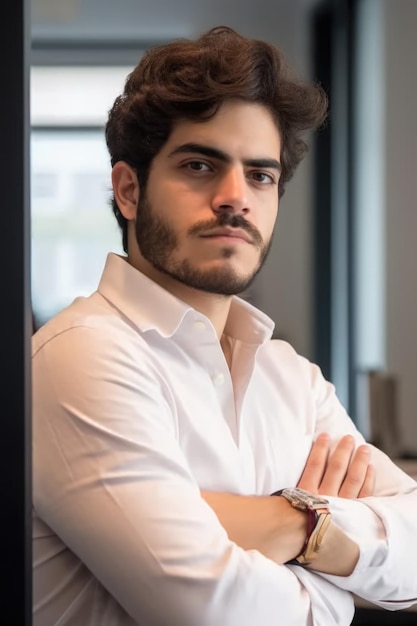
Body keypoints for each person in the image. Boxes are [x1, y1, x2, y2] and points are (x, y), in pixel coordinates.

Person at [32, 25, 417, 626]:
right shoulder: (81, 357)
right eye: (199, 165)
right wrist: (337, 569)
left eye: (261, 175)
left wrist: (300, 527)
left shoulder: (291, 376)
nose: (235, 197)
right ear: (129, 190)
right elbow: (209, 610)